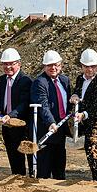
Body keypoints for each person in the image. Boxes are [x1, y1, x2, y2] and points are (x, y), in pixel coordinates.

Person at [31, 50, 72, 180]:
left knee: (59, 168)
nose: (53, 68)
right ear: (44, 67)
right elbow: (43, 105)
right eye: (49, 65)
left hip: (60, 129)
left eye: (56, 65)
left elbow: (68, 102)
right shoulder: (40, 82)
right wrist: (51, 122)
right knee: (44, 170)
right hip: (47, 130)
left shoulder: (65, 80)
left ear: (60, 65)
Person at [72, 48, 97, 182]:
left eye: (93, 67)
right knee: (91, 156)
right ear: (82, 66)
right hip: (87, 127)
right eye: (86, 67)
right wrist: (75, 94)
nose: (89, 70)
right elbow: (79, 93)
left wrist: (84, 114)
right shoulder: (80, 79)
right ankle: (96, 181)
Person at [0, 48, 32, 176]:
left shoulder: (25, 80)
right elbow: (1, 99)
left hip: (22, 125)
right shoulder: (2, 80)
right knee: (13, 155)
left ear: (19, 64)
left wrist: (10, 116)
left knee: (27, 155)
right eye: (5, 64)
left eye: (11, 63)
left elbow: (24, 104)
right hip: (7, 125)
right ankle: (17, 178)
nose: (8, 66)